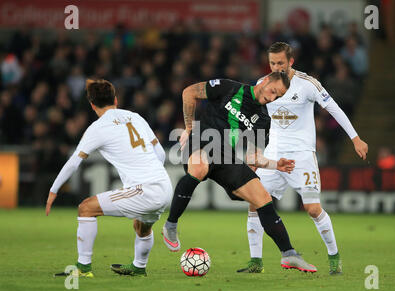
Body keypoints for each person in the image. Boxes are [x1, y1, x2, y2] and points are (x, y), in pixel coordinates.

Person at [162, 71, 318, 272]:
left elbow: (254, 158)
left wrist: (274, 164)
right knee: (200, 166)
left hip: (225, 156)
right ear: (267, 80)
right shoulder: (229, 87)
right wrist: (189, 128)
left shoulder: (263, 119)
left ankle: (289, 255)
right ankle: (171, 225)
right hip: (200, 141)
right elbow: (189, 92)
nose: (271, 98)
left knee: (262, 197)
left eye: (277, 97)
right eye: (273, 91)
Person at [237, 42, 368, 275]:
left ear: (291, 62)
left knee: (313, 208)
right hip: (273, 155)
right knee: (255, 203)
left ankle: (334, 256)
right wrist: (253, 149)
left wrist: (355, 138)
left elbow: (334, 108)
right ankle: (255, 261)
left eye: (281, 63)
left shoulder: (307, 84)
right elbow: (253, 117)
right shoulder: (262, 84)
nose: (276, 67)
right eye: (272, 63)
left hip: (302, 157)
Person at [46, 79, 172, 277]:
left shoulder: (97, 128)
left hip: (145, 189)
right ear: (115, 99)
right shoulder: (135, 117)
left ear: (92, 104)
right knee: (141, 226)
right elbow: (161, 154)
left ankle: (83, 268)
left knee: (86, 208)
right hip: (164, 186)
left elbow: (73, 163)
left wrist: (53, 190)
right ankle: (139, 268)